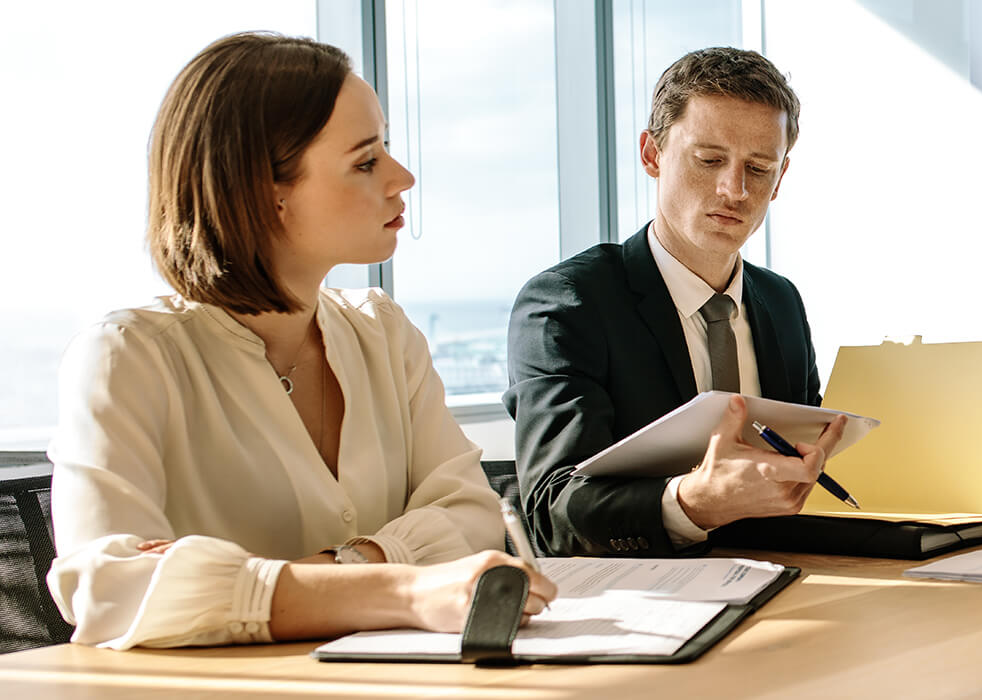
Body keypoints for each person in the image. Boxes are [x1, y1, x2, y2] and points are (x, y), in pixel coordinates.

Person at [47, 33, 555, 650]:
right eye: (365, 161)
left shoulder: (384, 332)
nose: (403, 177)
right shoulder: (126, 357)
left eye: (385, 148)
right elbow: (109, 588)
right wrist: (400, 588)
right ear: (267, 191)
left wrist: (330, 569)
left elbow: (472, 517)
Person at [506, 47, 846, 558]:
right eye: (709, 160)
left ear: (779, 179)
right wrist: (691, 504)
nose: (734, 189)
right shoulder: (566, 304)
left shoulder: (781, 301)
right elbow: (552, 512)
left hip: (784, 576)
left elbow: (808, 459)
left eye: (758, 167)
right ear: (651, 153)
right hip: (642, 604)